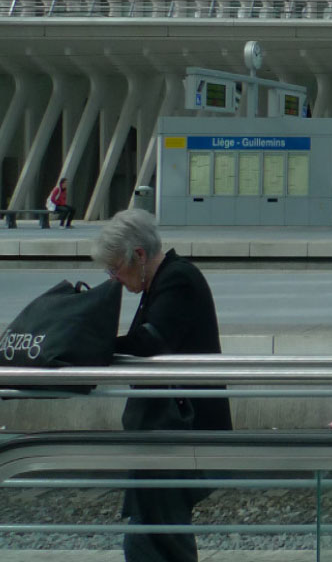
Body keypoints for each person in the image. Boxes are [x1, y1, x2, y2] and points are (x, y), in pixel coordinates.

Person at [92, 210, 231, 562]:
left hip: (180, 437)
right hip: (169, 437)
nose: (114, 279)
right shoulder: (164, 282)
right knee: (155, 532)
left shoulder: (177, 279)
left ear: (138, 255)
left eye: (115, 269)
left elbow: (150, 342)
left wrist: (94, 346)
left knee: (156, 534)